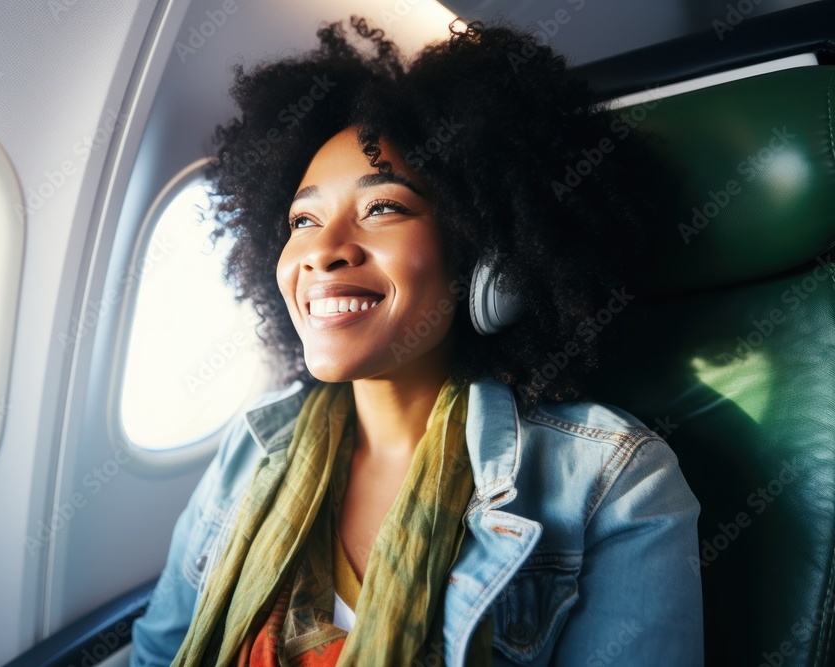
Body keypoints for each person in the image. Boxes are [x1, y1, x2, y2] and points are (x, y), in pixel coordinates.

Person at [131, 15, 703, 666]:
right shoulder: (255, 445)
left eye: (383, 209)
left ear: (487, 254)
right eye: (303, 219)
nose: (322, 251)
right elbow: (158, 653)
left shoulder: (615, 484)